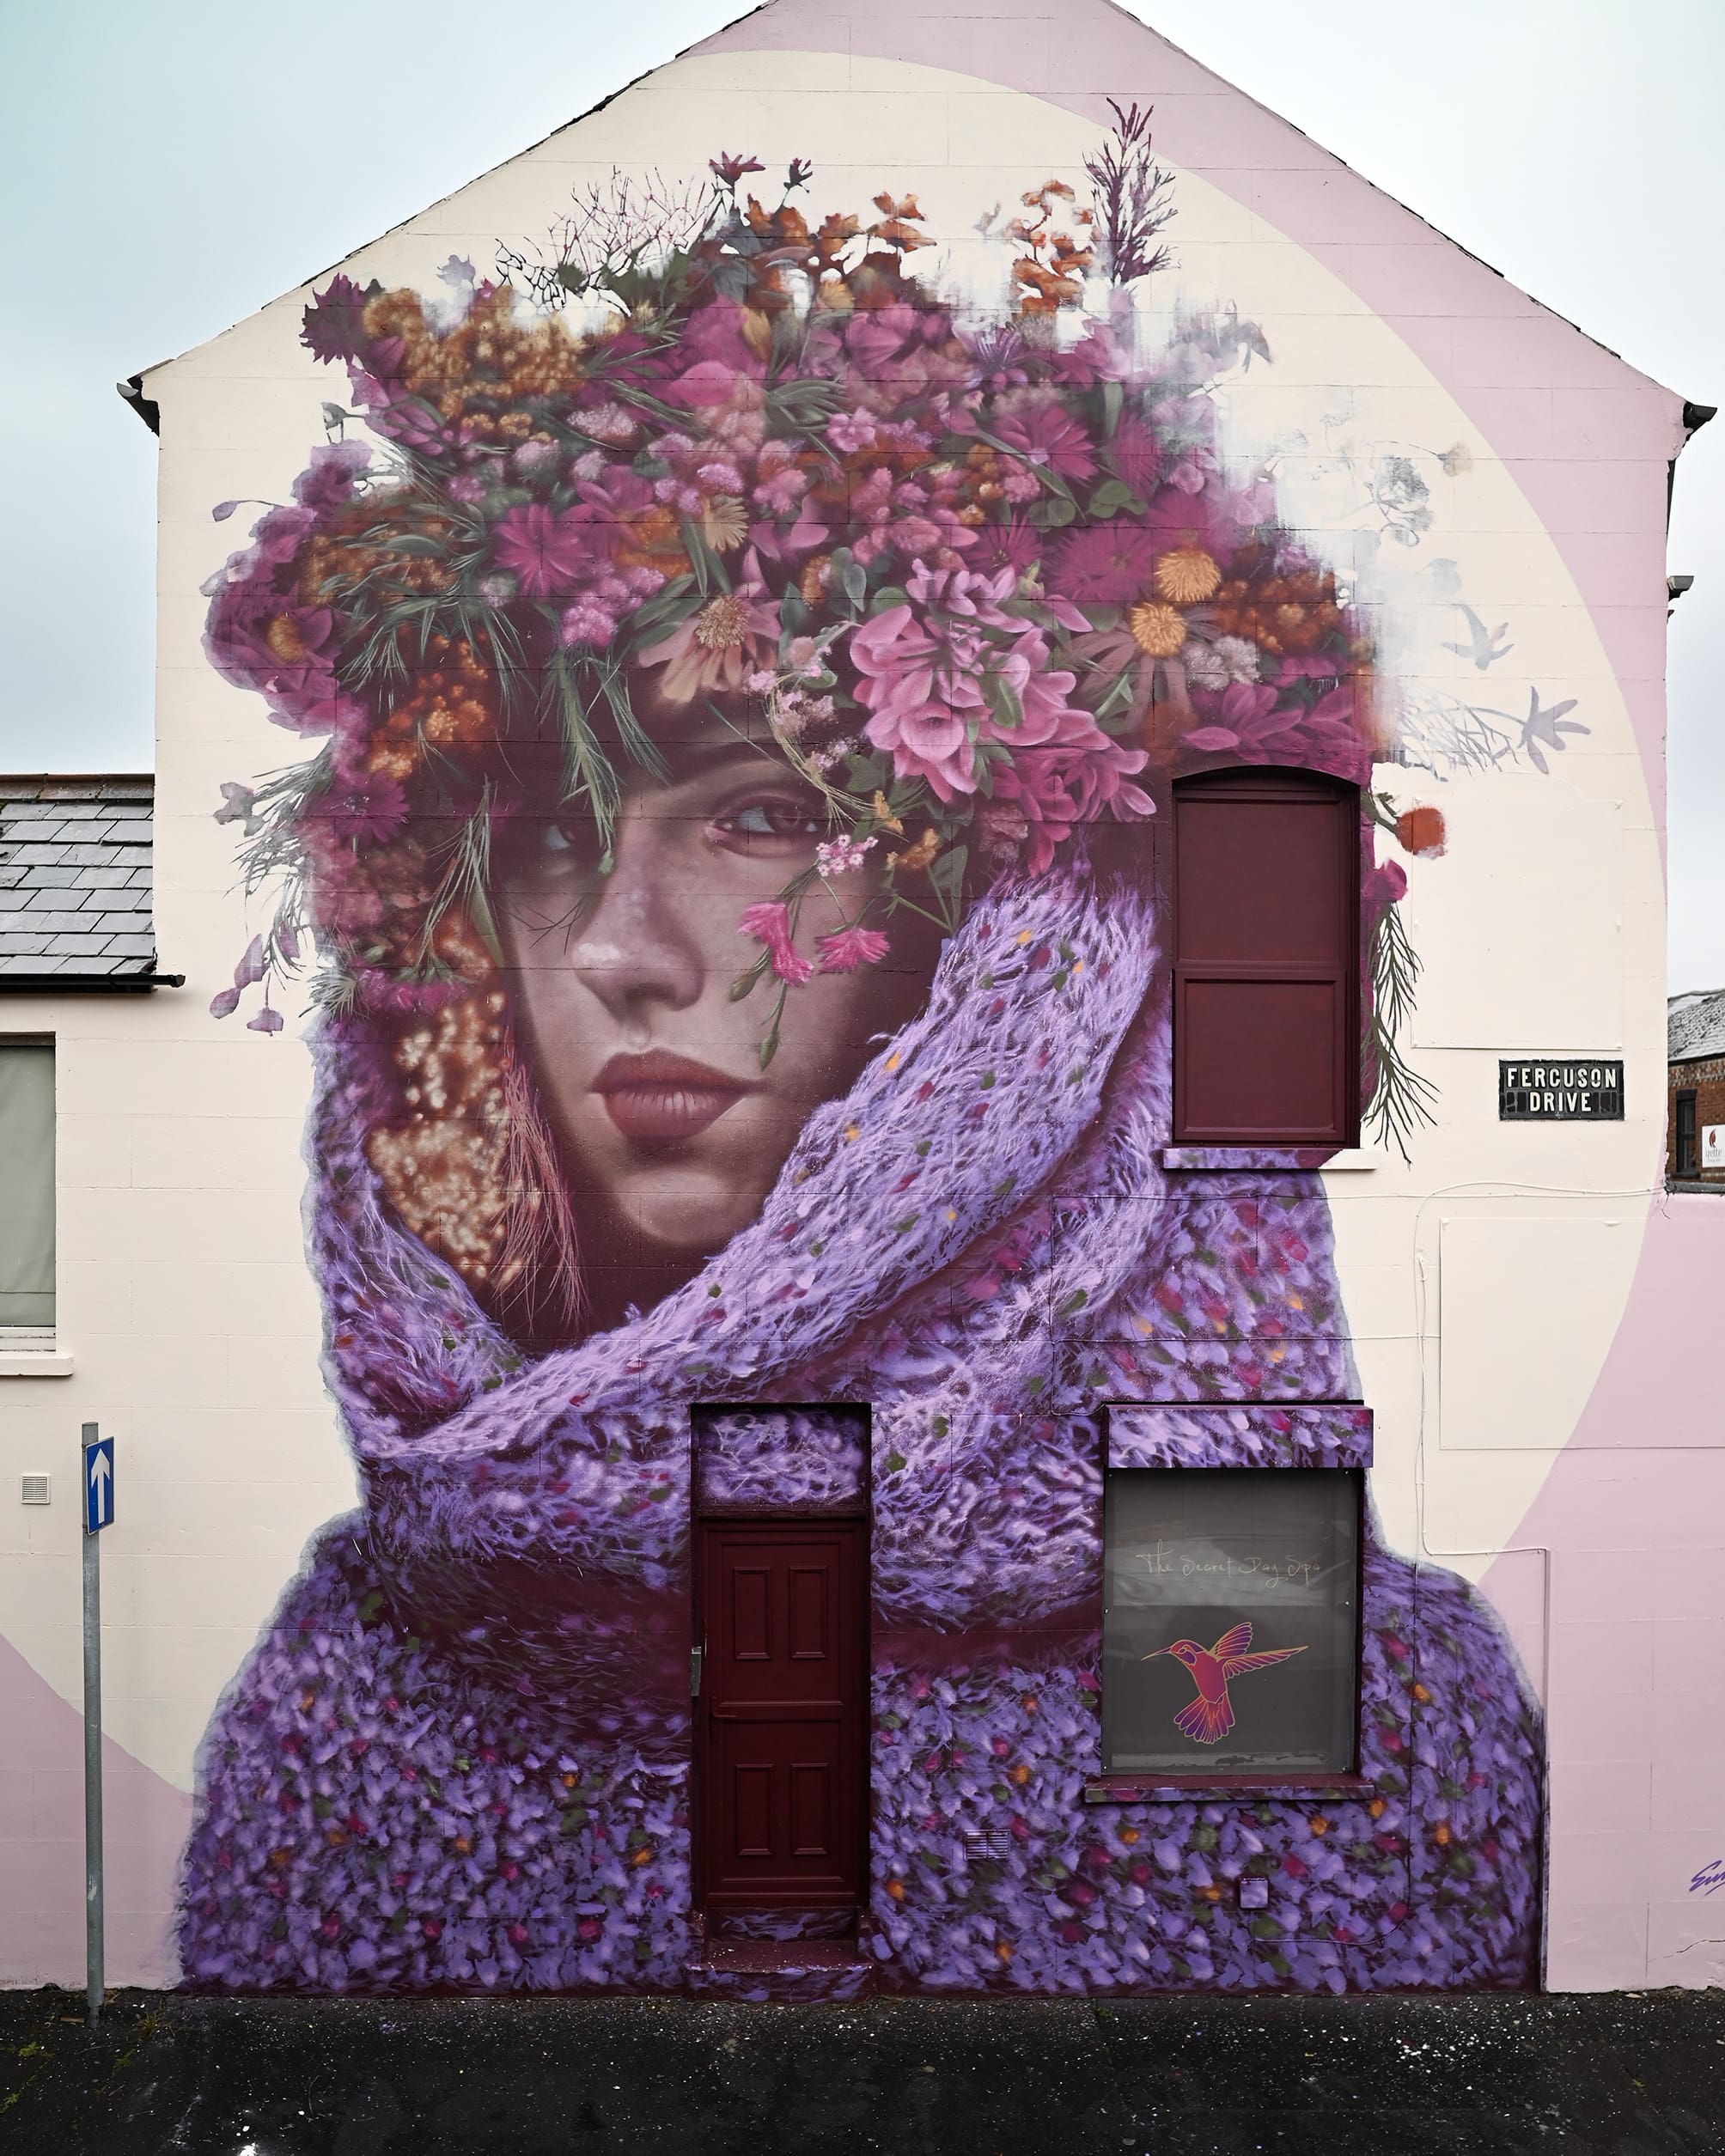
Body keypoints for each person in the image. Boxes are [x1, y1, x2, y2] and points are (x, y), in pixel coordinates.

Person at [180, 144, 1541, 1995]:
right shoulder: (329, 1726)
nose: (619, 947)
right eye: (551, 839)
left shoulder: (1411, 1727)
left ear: (998, 943)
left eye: (758, 816)